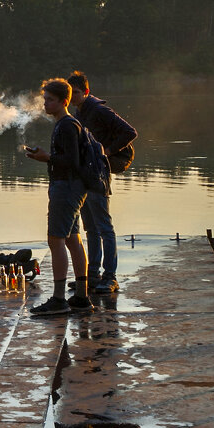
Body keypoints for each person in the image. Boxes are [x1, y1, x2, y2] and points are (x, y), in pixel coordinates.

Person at [24, 79, 92, 315]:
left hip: (66, 188)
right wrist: (45, 156)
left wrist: (47, 158)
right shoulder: (66, 124)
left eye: (50, 99)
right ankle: (81, 297)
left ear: (64, 102)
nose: (45, 103)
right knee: (73, 239)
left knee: (56, 240)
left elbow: (72, 162)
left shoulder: (66, 125)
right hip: (71, 187)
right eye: (45, 99)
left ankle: (59, 299)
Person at [66, 71, 137, 294]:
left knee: (104, 227)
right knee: (91, 228)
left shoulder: (98, 110)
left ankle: (111, 277)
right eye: (70, 94)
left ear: (86, 92)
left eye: (76, 93)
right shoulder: (77, 114)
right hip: (85, 176)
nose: (73, 97)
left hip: (98, 175)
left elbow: (130, 132)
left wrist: (106, 152)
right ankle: (93, 275)